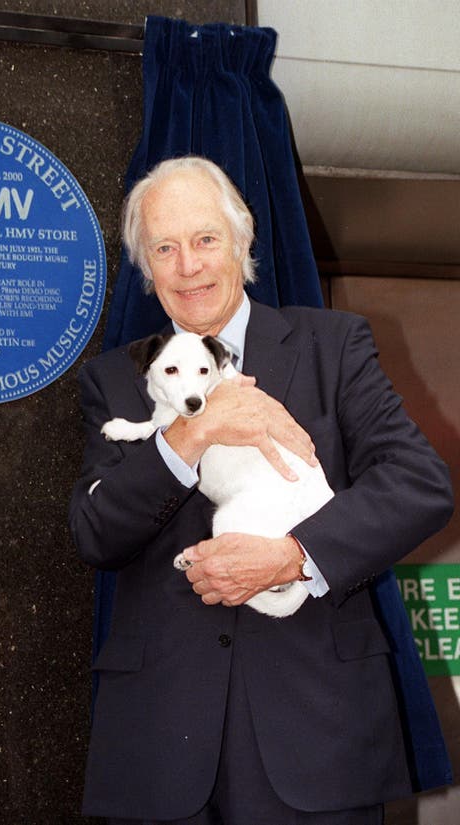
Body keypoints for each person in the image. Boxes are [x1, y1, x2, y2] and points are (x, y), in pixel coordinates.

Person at [69, 156, 454, 825]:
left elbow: (419, 483)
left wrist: (292, 555)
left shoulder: (333, 346)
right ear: (146, 267)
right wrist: (192, 434)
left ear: (242, 242)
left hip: (315, 735)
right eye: (164, 247)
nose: (187, 265)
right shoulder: (116, 379)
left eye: (205, 239)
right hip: (159, 747)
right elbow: (95, 531)